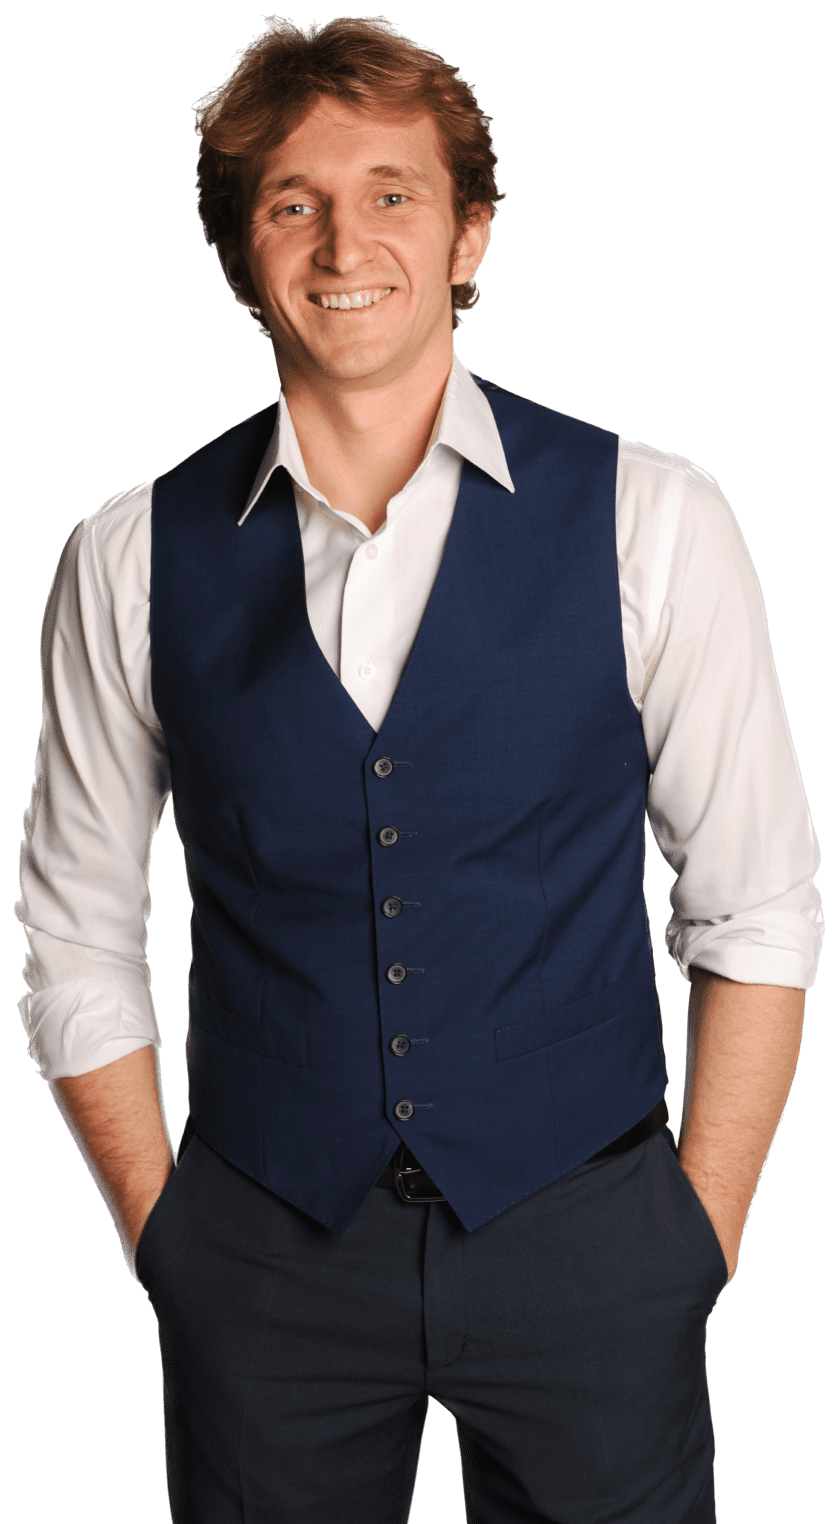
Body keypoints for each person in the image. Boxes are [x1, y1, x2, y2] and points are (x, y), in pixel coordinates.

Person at [16, 16, 821, 1524]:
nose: (345, 245)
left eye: (392, 193)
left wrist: (695, 1237)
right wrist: (161, 1231)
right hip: (262, 1254)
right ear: (242, 250)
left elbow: (758, 906)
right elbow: (74, 931)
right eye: (294, 203)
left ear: (471, 235)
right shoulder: (128, 556)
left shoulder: (655, 517)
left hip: (590, 1234)